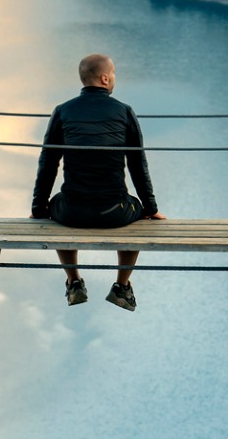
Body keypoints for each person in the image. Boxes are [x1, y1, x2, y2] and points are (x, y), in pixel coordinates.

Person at [31, 53, 165, 311]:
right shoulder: (125, 112)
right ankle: (123, 287)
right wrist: (150, 208)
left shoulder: (62, 111)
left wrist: (38, 209)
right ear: (104, 78)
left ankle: (73, 281)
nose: (114, 78)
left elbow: (47, 164)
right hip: (114, 213)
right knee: (138, 212)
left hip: (71, 212)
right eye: (113, 73)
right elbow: (138, 165)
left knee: (55, 207)